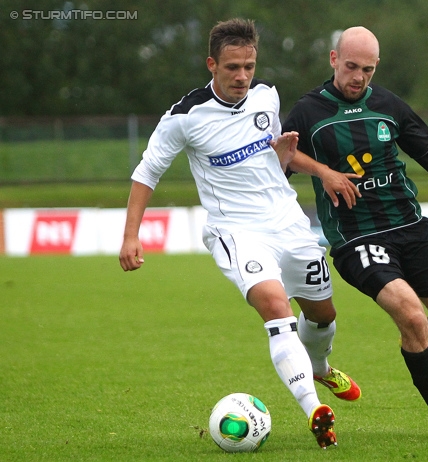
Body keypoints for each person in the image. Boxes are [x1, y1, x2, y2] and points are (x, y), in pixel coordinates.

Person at [118, 18, 361, 449]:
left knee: (323, 315)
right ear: (212, 64)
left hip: (287, 221)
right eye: (232, 67)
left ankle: (320, 368)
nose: (242, 76)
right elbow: (147, 172)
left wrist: (311, 166)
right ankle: (314, 411)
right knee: (273, 304)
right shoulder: (184, 117)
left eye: (248, 65)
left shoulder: (266, 95)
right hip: (236, 229)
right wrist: (131, 235)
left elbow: (277, 156)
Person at [282, 26, 428, 440]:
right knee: (411, 314)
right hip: (357, 239)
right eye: (351, 66)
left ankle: (419, 346)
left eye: (367, 70)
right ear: (334, 60)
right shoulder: (308, 112)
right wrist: (324, 173)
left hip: (411, 227)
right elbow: (280, 159)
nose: (358, 77)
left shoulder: (388, 103)